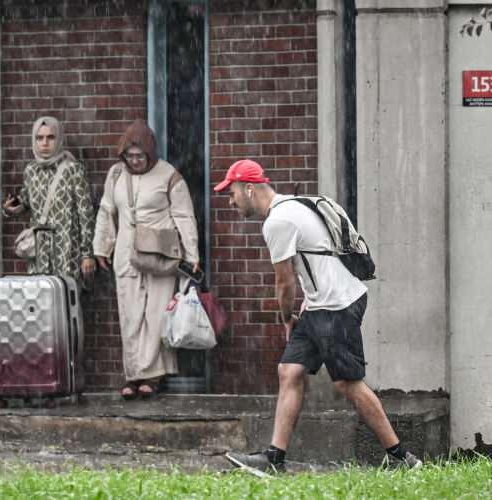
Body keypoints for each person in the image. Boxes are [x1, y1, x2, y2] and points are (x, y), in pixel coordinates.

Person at [213, 159, 422, 472]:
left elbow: (284, 282)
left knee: (348, 384)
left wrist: (286, 318)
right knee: (290, 371)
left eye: (232, 194)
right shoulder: (294, 205)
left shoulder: (277, 222)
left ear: (249, 188)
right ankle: (274, 459)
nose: (231, 201)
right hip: (318, 305)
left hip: (335, 305)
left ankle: (402, 458)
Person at [93, 119, 200, 400]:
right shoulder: (116, 175)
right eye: (130, 156)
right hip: (126, 253)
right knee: (130, 315)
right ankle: (133, 374)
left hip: (160, 254)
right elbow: (107, 212)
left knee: (155, 315)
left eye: (140, 156)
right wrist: (101, 247)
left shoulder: (169, 175)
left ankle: (151, 377)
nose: (135, 161)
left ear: (151, 153)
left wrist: (192, 254)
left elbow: (184, 216)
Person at [2, 116, 96, 285]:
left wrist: (87, 254)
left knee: (67, 302)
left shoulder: (73, 169)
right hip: (39, 252)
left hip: (67, 250)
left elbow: (86, 214)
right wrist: (11, 209)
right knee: (40, 302)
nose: (44, 143)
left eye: (50, 137)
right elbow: (27, 201)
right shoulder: (31, 170)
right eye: (39, 138)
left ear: (59, 139)